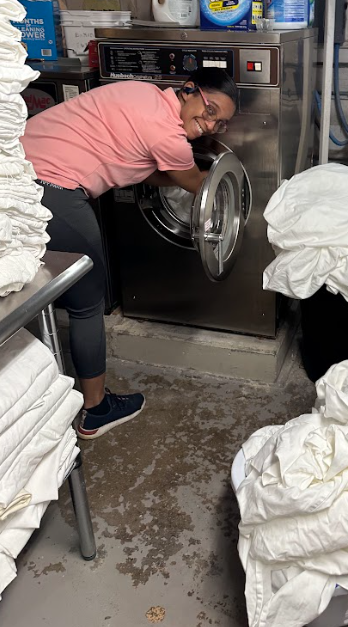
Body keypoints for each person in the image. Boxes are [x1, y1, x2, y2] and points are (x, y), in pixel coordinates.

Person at [21, 69, 238, 440]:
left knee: (25, 288)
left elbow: (144, 169)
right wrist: (226, 182)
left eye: (221, 124)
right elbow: (195, 182)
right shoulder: (167, 133)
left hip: (14, 172)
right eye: (210, 110)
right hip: (54, 188)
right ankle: (95, 410)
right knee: (88, 299)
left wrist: (193, 170)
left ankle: (30, 391)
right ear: (189, 91)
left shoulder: (143, 96)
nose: (210, 125)